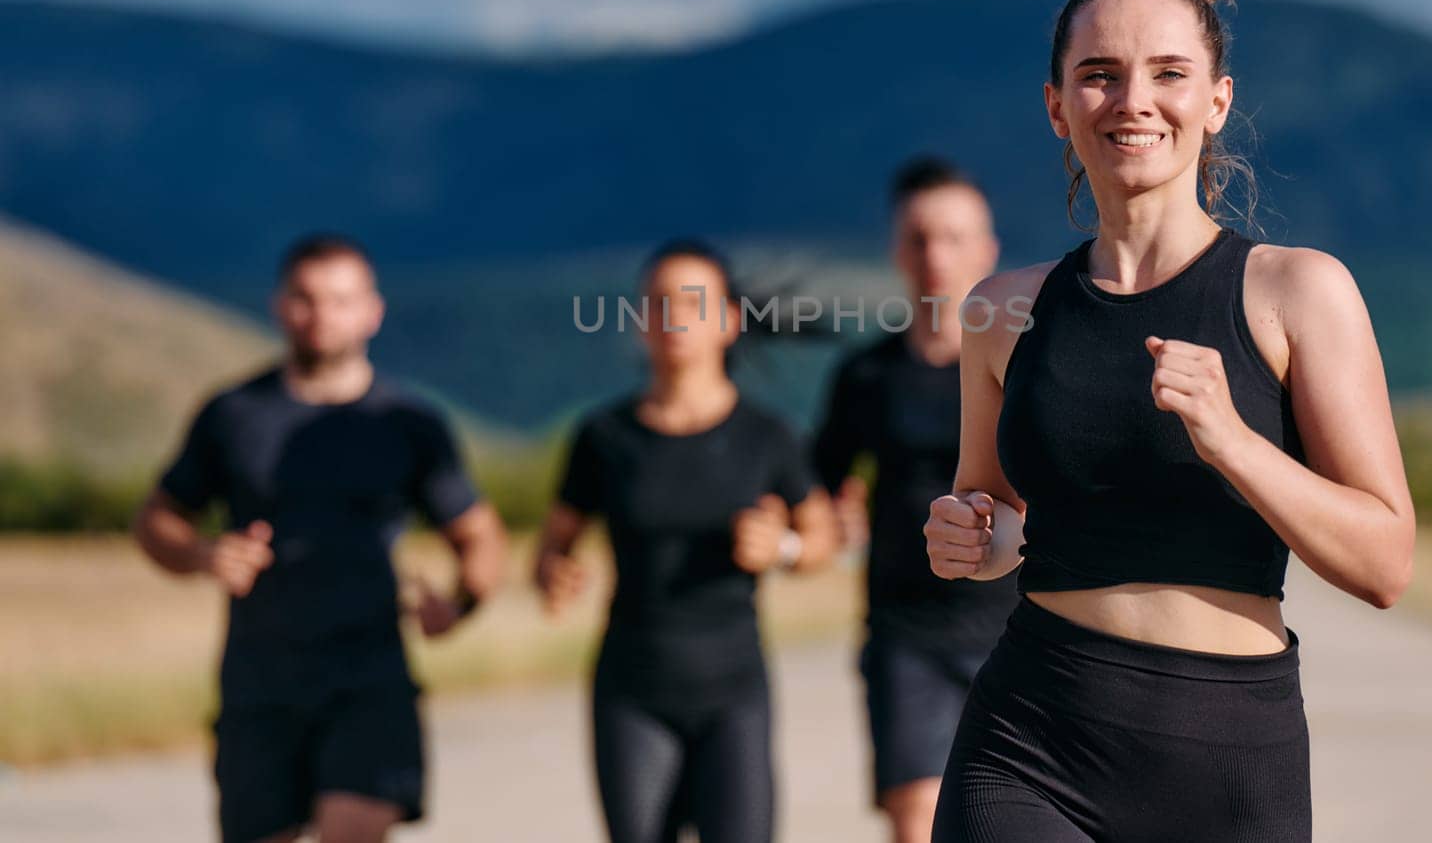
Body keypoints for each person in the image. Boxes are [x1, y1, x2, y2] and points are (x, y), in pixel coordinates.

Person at [922, 0, 1415, 842]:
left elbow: (1386, 563)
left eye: (1169, 72)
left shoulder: (1297, 292)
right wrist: (970, 534)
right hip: (1029, 738)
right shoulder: (1000, 311)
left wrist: (1231, 438)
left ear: (1216, 101)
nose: (1133, 101)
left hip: (1229, 756)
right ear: (1057, 107)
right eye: (1099, 74)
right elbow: (995, 513)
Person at [133, 233, 509, 843]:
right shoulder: (233, 414)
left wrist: (462, 601)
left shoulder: (406, 424)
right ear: (281, 305)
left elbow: (479, 534)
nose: (321, 317)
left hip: (370, 678)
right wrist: (203, 554)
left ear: (372, 312)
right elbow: (155, 521)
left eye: (340, 300)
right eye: (306, 299)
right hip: (260, 681)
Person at [534, 238, 839, 843]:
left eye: (692, 303)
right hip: (632, 689)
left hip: (733, 692)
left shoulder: (767, 436)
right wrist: (554, 573)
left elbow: (821, 535)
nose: (674, 317)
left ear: (728, 321)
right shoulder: (604, 438)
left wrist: (781, 549)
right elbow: (553, 544)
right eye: (657, 304)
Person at [812, 157, 1018, 842]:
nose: (936, 256)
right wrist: (821, 523)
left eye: (954, 237)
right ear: (897, 249)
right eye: (920, 237)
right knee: (917, 825)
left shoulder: (1029, 366)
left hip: (1022, 630)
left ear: (988, 249)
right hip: (908, 634)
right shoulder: (866, 376)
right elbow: (817, 483)